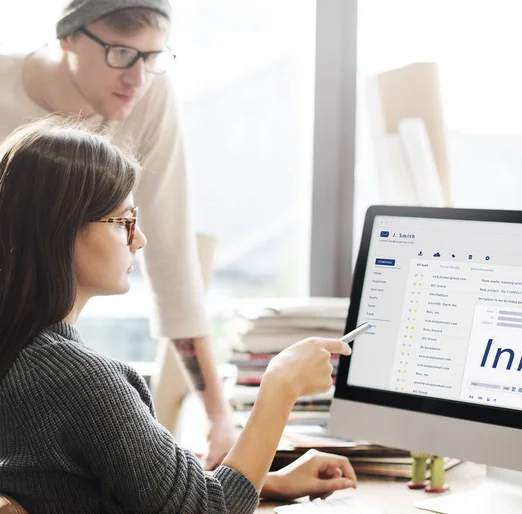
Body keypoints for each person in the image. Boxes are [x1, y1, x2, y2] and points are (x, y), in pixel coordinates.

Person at [0, 118, 356, 513]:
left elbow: (97, 488)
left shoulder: (23, 357)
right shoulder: (78, 380)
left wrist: (265, 483)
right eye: (124, 222)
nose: (140, 240)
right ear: (61, 230)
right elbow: (208, 510)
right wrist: (281, 387)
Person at [0, 0, 236, 468]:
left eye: (153, 57)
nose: (138, 78)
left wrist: (218, 419)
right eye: (121, 53)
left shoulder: (150, 94)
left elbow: (170, 257)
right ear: (67, 37)